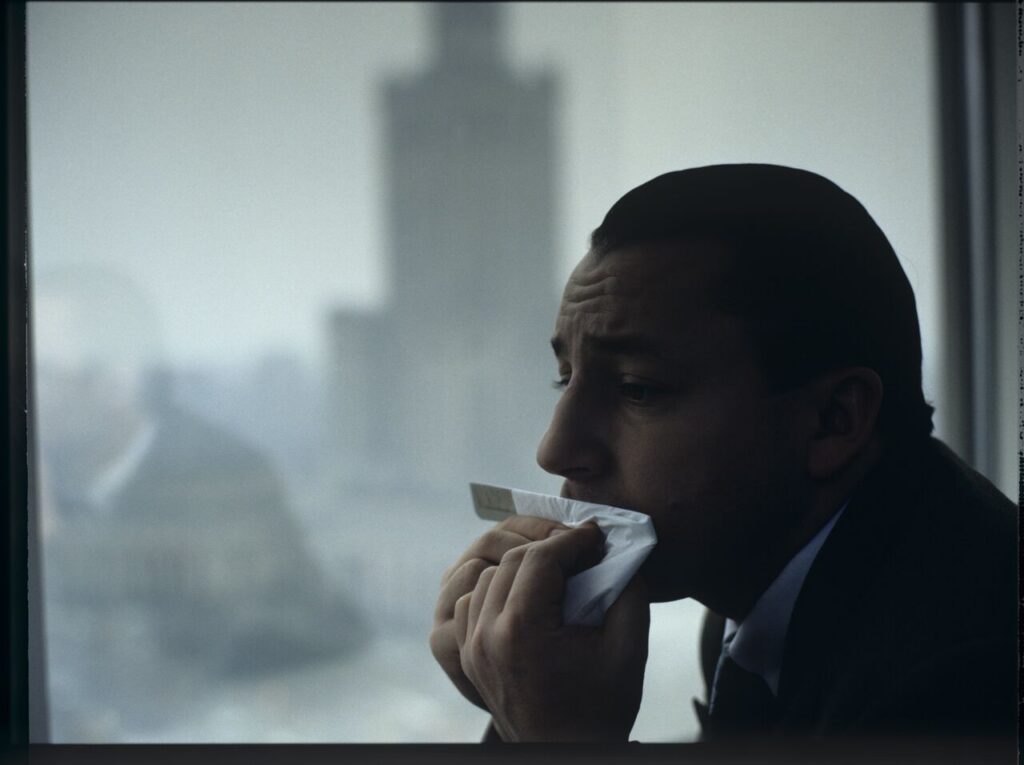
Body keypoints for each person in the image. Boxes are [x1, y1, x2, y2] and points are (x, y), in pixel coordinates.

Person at [428, 164, 1017, 747]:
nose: (554, 450)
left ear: (832, 422)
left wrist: (561, 740)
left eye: (638, 388)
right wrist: (520, 703)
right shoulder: (757, 578)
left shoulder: (962, 682)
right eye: (566, 379)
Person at [34, 265, 368, 739]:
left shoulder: (216, 481)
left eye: (42, 372)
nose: (23, 391)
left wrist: (52, 545)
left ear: (117, 381)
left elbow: (165, 677)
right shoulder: (50, 471)